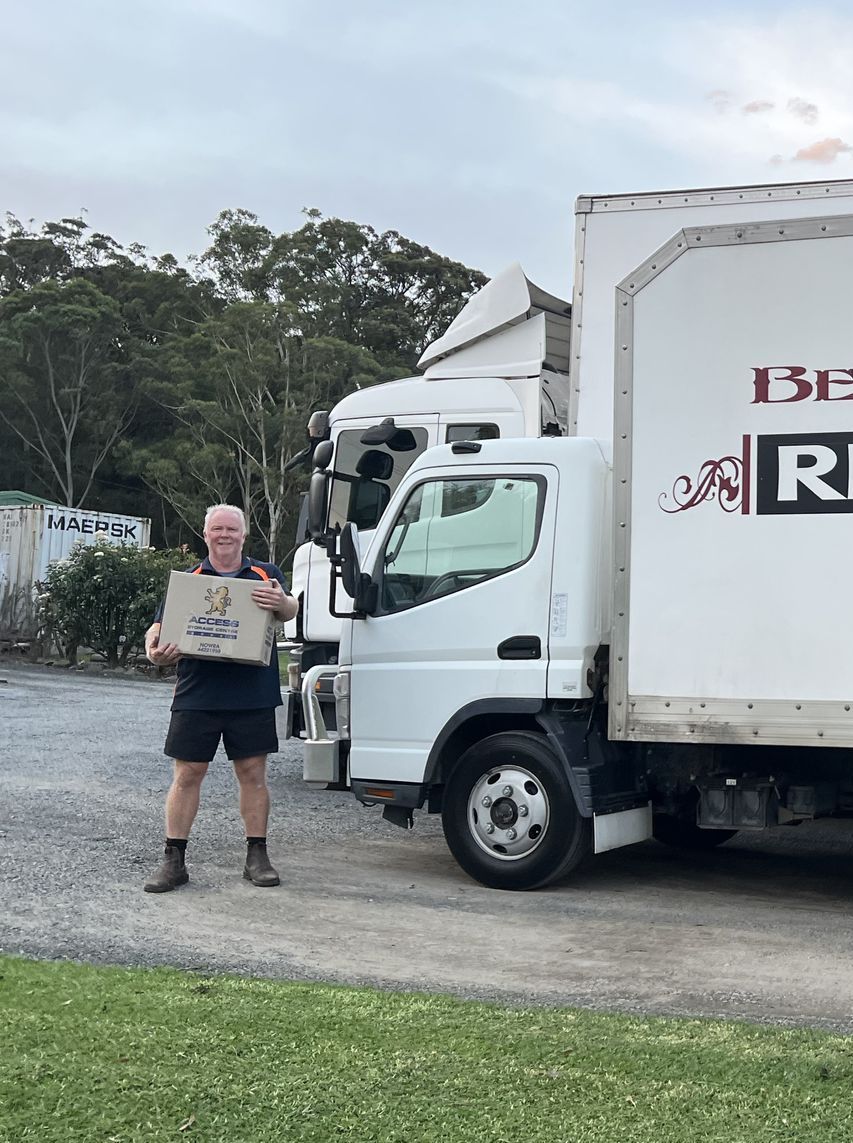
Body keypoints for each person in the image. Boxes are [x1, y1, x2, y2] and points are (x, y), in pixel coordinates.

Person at [143, 504, 298, 894]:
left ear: (244, 536)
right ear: (206, 533)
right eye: (217, 529)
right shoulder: (190, 580)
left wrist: (280, 603)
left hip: (253, 693)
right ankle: (173, 860)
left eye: (232, 529)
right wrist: (153, 650)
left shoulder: (265, 575)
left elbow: (290, 609)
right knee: (187, 775)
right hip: (198, 691)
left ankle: (257, 856)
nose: (224, 534)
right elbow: (160, 627)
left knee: (252, 775)